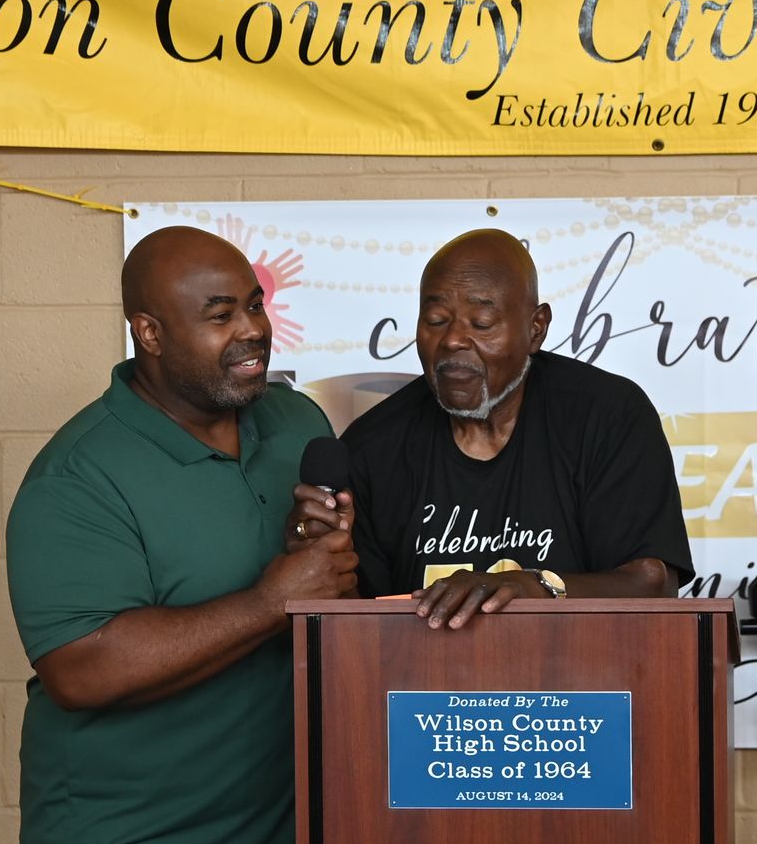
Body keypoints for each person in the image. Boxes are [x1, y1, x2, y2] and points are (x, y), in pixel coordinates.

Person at [4, 225, 356, 844]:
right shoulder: (79, 475)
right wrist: (272, 600)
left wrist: (317, 560)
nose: (251, 330)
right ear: (149, 332)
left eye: (255, 306)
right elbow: (82, 667)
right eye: (218, 314)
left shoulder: (295, 426)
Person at [292, 228, 691, 629]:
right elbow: (357, 623)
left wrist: (532, 586)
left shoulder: (607, 415)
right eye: (435, 320)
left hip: (580, 667)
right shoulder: (374, 446)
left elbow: (651, 583)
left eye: (481, 323)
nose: (452, 340)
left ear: (536, 329)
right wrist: (326, 561)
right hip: (422, 670)